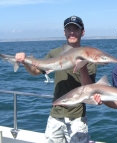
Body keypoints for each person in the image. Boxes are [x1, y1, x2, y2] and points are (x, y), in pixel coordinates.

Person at [15, 15, 97, 143]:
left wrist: (83, 66)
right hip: (55, 115)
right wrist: (24, 62)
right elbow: (36, 71)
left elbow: (88, 88)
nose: (72, 32)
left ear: (83, 32)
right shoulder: (54, 53)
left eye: (75, 29)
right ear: (64, 32)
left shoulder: (89, 56)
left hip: (77, 117)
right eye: (68, 29)